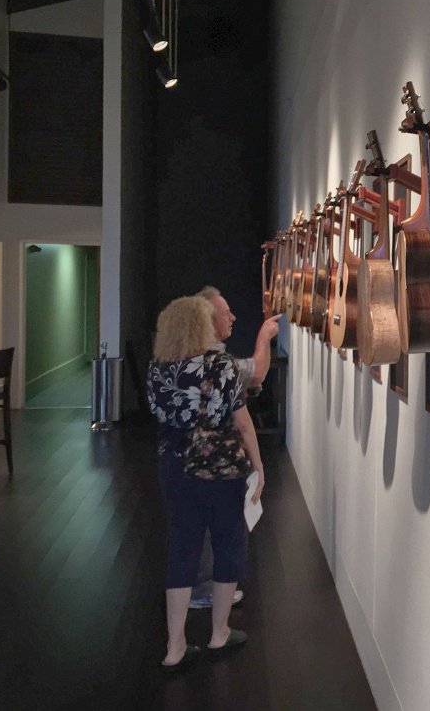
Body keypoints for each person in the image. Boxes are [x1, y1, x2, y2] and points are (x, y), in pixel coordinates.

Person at [147, 296, 265, 672]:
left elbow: (157, 412)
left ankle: (175, 646)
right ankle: (218, 633)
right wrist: (259, 467)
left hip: (175, 464)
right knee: (228, 542)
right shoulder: (221, 365)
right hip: (219, 467)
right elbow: (242, 422)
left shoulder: (158, 368)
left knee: (182, 547)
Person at [188, 286, 281, 609]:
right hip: (213, 459)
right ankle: (206, 595)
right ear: (209, 319)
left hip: (183, 459)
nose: (233, 316)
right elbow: (256, 375)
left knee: (196, 524)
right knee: (219, 527)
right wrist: (264, 337)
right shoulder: (215, 362)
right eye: (226, 312)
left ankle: (197, 593)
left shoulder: (180, 356)